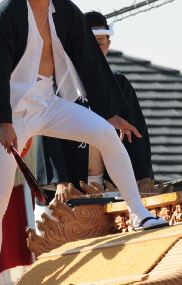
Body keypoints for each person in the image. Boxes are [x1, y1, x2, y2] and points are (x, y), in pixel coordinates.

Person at [0, 0, 168, 285]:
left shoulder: (65, 10)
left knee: (105, 134)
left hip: (48, 102)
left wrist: (109, 113)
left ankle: (139, 213)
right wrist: (3, 123)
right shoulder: (5, 14)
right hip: (13, 113)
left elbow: (89, 61)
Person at [35, 11, 153, 206]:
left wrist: (144, 177)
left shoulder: (119, 84)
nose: (94, 50)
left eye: (99, 43)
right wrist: (60, 181)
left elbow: (136, 131)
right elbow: (47, 134)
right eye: (88, 43)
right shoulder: (58, 84)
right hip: (68, 186)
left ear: (108, 45)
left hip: (111, 185)